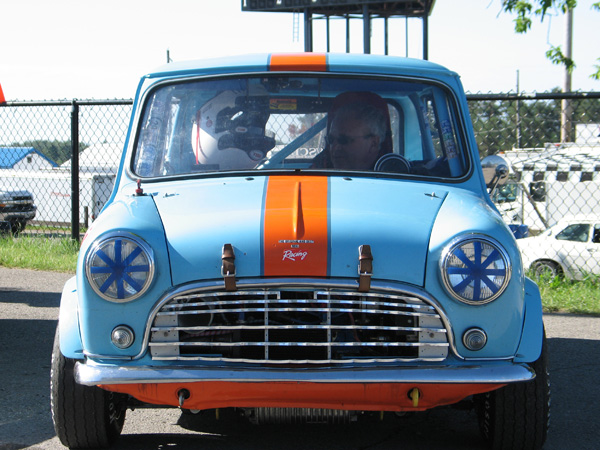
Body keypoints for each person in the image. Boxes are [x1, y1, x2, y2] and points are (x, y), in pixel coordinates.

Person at [327, 100, 389, 170]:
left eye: (344, 140)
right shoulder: (315, 171)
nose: (335, 147)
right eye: (331, 139)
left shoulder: (393, 177)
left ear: (373, 144)